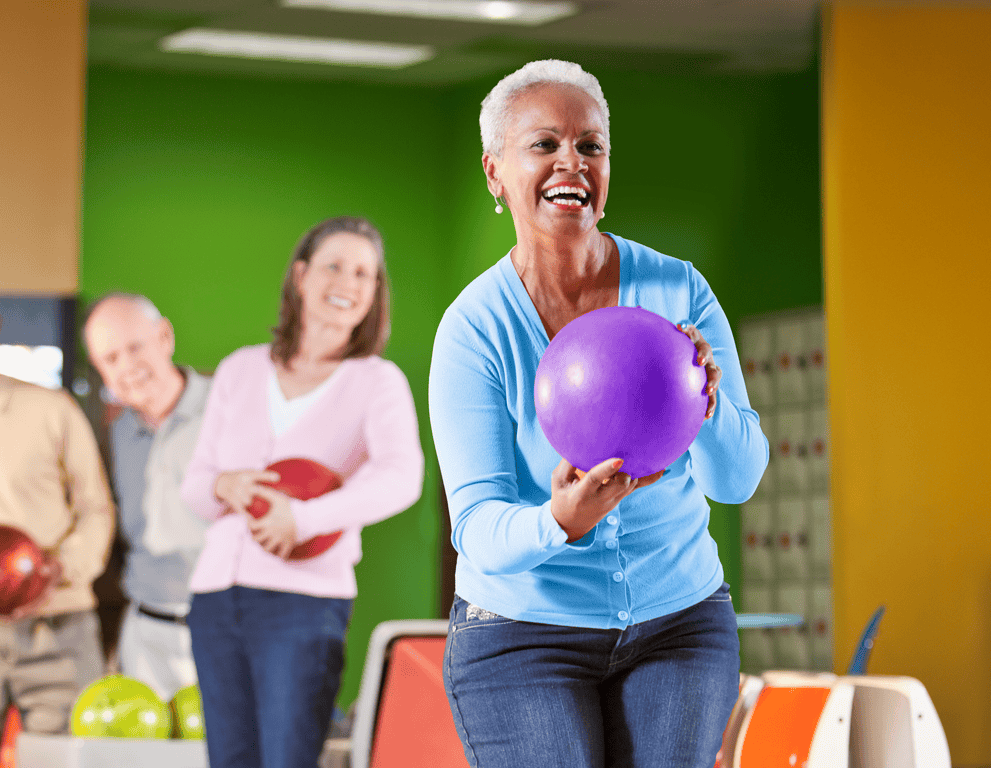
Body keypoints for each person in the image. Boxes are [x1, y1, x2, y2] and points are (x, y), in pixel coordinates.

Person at [428, 60, 770, 768]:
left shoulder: (677, 290)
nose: (571, 164)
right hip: (522, 632)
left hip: (679, 621)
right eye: (544, 144)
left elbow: (737, 480)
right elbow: (479, 528)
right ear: (496, 173)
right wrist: (562, 522)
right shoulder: (475, 329)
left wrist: (702, 402)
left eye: (590, 146)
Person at [180, 216, 425, 768]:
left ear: (375, 292)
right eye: (335, 266)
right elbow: (195, 488)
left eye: (364, 273)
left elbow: (402, 476)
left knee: (288, 758)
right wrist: (225, 484)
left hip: (304, 603)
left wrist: (306, 519)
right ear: (300, 276)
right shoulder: (239, 370)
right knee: (229, 760)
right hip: (216, 598)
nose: (349, 282)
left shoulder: (375, 381)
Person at [83, 293, 211, 700]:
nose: (127, 368)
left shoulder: (228, 409)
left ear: (165, 337)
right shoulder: (114, 436)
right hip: (144, 634)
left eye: (135, 347)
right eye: (111, 359)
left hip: (226, 629)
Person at [0, 314, 115, 733]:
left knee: (64, 757)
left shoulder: (50, 408)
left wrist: (60, 568)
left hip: (58, 626)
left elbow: (96, 507)